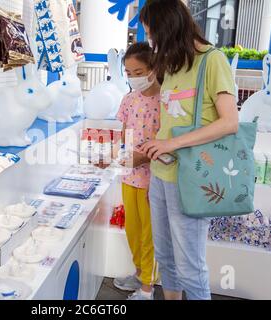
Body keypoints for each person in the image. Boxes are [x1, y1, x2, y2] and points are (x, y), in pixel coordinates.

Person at [138, 0, 239, 300]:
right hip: (160, 176)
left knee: (190, 268)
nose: (151, 41)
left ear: (169, 28)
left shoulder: (212, 60)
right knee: (165, 259)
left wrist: (171, 143)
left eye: (152, 33)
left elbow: (230, 122)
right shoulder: (171, 64)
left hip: (191, 179)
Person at [113, 42, 161, 300]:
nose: (133, 78)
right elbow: (122, 135)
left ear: (153, 69)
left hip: (154, 179)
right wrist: (115, 155)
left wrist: (142, 158)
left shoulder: (165, 100)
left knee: (149, 234)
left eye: (138, 71)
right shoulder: (128, 99)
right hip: (129, 176)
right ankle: (139, 273)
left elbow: (168, 143)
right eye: (129, 73)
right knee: (132, 230)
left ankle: (147, 287)